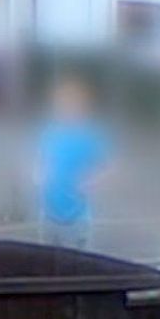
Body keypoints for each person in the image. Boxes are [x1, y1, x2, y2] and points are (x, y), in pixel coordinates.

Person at [34, 76, 111, 250]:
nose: (66, 108)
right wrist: (39, 176)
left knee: (76, 266)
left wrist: (93, 182)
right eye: (62, 104)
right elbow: (40, 160)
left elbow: (107, 166)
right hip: (49, 214)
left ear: (81, 107)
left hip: (78, 216)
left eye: (71, 104)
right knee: (47, 266)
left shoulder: (90, 135)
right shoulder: (50, 132)